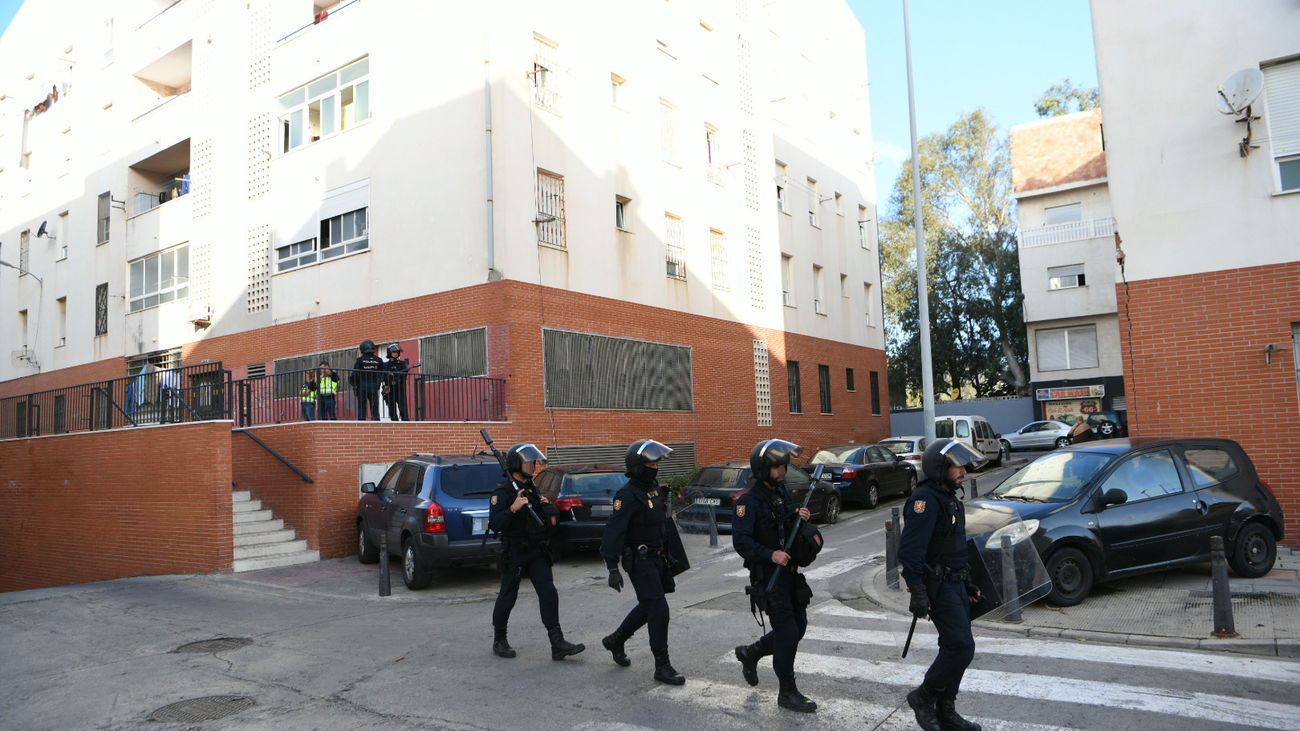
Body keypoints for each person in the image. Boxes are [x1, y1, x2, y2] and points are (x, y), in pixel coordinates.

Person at [898, 438, 987, 731]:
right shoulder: (925, 500)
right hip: (939, 586)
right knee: (961, 647)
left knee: (954, 646)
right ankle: (923, 697)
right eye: (956, 465)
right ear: (940, 467)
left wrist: (970, 583)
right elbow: (910, 553)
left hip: (957, 583)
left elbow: (956, 548)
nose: (962, 470)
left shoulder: (949, 497)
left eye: (963, 465)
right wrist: (918, 591)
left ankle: (946, 710)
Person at [731, 439, 818, 712]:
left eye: (783, 466)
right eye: (776, 467)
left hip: (790, 574)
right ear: (762, 468)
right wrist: (770, 555)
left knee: (798, 627)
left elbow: (784, 525)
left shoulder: (781, 493)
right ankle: (787, 692)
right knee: (788, 632)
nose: (782, 472)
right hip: (769, 575)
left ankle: (751, 652)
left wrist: (798, 516)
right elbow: (741, 542)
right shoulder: (748, 501)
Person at [599, 439, 684, 685]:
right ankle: (662, 665)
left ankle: (616, 640)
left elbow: (662, 526)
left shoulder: (654, 489)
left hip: (658, 560)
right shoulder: (626, 496)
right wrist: (612, 567)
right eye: (651, 462)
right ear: (638, 466)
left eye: (657, 462)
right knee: (659, 609)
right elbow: (613, 532)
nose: (655, 466)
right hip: (640, 560)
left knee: (649, 606)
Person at [488, 442, 584, 661]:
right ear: (515, 464)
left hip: (536, 550)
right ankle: (499, 639)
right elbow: (495, 523)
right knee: (507, 595)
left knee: (548, 592)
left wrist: (542, 504)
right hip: (514, 551)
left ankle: (557, 643)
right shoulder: (502, 492)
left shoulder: (532, 488)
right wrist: (513, 508)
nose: (532, 465)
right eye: (528, 461)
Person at [349, 340, 384, 420]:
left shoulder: (360, 360)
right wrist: (379, 382)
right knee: (374, 406)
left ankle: (362, 422)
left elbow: (354, 374)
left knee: (362, 406)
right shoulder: (378, 360)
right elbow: (382, 373)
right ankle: (376, 421)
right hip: (374, 386)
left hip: (362, 386)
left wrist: (353, 383)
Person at [382, 343, 412, 422]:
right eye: (394, 352)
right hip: (390, 390)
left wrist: (395, 374)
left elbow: (404, 374)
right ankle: (394, 426)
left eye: (397, 352)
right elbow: (382, 376)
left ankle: (406, 426)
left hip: (400, 389)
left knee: (403, 409)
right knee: (392, 410)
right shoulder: (385, 365)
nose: (396, 354)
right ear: (389, 353)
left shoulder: (402, 364)